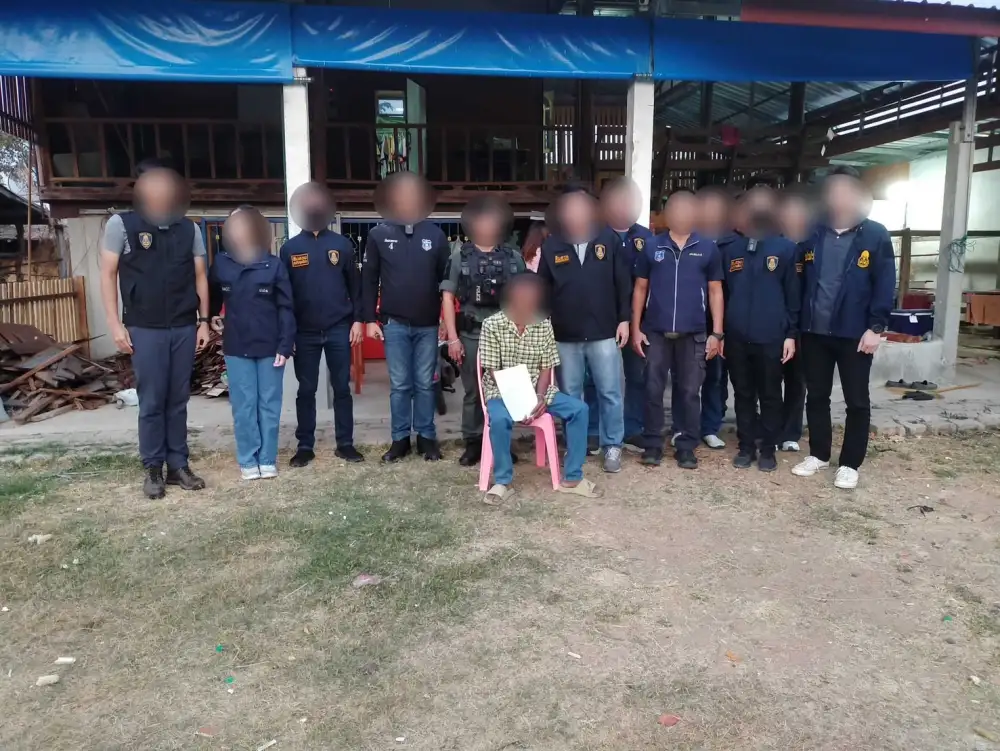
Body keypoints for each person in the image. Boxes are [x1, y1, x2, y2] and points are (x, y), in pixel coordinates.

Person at [99, 162, 210, 499]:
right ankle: (153, 469)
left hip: (183, 325)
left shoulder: (189, 229)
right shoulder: (122, 225)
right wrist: (115, 323)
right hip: (144, 327)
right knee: (151, 401)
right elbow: (108, 274)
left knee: (178, 399)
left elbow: (200, 275)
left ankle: (178, 466)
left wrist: (204, 321)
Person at [792, 167, 895, 490]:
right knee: (816, 396)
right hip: (815, 331)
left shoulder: (874, 234)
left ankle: (850, 463)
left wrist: (876, 327)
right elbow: (800, 280)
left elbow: (885, 283)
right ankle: (819, 454)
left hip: (855, 334)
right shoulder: (813, 233)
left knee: (857, 401)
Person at [478, 273, 600, 503]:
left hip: (538, 390)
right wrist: (519, 401)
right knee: (500, 420)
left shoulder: (543, 324)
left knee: (579, 410)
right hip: (501, 390)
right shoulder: (492, 325)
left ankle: (573, 478)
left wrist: (539, 396)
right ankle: (503, 481)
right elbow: (492, 370)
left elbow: (546, 366)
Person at [537, 186, 632, 473]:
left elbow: (623, 282)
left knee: (610, 392)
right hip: (565, 336)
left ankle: (612, 445)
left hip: (604, 332)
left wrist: (624, 319)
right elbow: (542, 291)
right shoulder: (552, 246)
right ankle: (575, 446)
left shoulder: (608, 239)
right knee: (571, 395)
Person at [632, 189, 724, 470]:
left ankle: (686, 446)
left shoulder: (707, 248)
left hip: (693, 334)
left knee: (689, 392)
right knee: (652, 389)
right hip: (656, 333)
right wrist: (636, 328)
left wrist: (717, 333)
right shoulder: (652, 246)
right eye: (676, 210)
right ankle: (652, 444)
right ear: (667, 214)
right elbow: (640, 288)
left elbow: (715, 291)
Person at [362, 171, 450, 462]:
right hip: (394, 324)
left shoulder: (436, 235)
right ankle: (400, 439)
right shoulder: (378, 234)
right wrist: (369, 320)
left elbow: (445, 282)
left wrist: (444, 320)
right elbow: (369, 279)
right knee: (400, 385)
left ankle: (426, 438)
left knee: (425, 383)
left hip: (428, 325)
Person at [279, 182, 364, 467]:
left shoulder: (342, 245)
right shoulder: (290, 249)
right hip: (304, 333)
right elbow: (284, 296)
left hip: (339, 328)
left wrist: (357, 321)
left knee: (342, 388)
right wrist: (287, 333)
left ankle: (345, 444)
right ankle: (305, 446)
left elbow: (356, 288)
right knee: (306, 390)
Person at [209, 207, 295, 480]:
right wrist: (210, 315)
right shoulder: (222, 263)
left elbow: (286, 308)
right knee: (244, 407)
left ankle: (267, 459)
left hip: (270, 347)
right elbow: (211, 294)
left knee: (269, 405)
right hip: (237, 346)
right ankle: (248, 460)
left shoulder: (274, 265)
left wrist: (285, 346)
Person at [718, 187, 800, 472]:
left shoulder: (786, 249)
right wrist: (722, 333)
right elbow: (723, 295)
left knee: (770, 394)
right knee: (742, 394)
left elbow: (793, 296)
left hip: (771, 337)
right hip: (737, 337)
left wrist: (790, 334)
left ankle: (767, 448)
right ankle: (746, 446)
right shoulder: (731, 250)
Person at [441, 195, 526, 466]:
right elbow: (447, 298)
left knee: (506, 389)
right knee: (473, 392)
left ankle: (502, 441)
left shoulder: (513, 258)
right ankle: (473, 442)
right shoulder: (460, 257)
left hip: (506, 336)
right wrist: (452, 339)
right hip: (471, 335)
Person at [671, 185, 733, 451]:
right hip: (688, 321)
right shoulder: (685, 239)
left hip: (718, 322)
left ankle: (710, 427)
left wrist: (721, 330)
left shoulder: (732, 242)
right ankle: (682, 426)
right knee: (683, 378)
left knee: (715, 377)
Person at [600, 177, 655, 454]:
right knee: (597, 379)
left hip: (638, 322)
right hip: (601, 320)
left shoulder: (647, 238)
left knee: (638, 376)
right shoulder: (595, 236)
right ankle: (595, 431)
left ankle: (633, 429)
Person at [776, 187, 814, 452]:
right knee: (769, 380)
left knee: (796, 380)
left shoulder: (814, 244)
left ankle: (790, 432)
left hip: (806, 325)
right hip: (777, 323)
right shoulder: (774, 244)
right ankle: (770, 427)